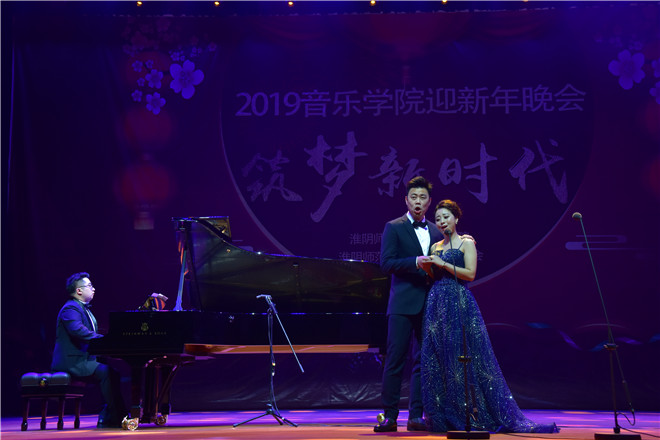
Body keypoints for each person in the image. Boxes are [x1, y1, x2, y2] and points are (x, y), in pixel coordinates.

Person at [419, 200, 558, 433]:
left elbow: (470, 274)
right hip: (436, 302)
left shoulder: (466, 243)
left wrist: (443, 263)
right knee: (438, 358)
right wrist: (428, 268)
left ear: (456, 218)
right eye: (438, 218)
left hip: (458, 301)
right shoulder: (434, 247)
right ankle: (442, 415)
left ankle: (466, 414)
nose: (442, 222)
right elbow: (434, 276)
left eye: (446, 217)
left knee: (460, 356)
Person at [373, 176, 444, 432]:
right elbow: (386, 263)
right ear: (406, 200)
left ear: (429, 202)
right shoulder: (394, 227)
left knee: (423, 362)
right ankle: (390, 416)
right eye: (413, 197)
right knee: (395, 360)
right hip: (402, 304)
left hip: (429, 304)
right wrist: (415, 262)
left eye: (422, 197)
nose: (418, 202)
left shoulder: (436, 231)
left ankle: (416, 416)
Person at [51, 272, 128, 429]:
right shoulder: (70, 308)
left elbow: (88, 333)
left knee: (114, 372)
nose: (93, 289)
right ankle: (115, 416)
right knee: (106, 372)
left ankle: (112, 413)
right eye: (90, 286)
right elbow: (78, 330)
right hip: (72, 362)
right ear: (79, 290)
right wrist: (104, 339)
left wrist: (108, 339)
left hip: (82, 360)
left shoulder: (82, 308)